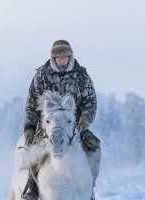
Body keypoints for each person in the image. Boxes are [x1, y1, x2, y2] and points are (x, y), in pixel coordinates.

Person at [22, 40, 101, 200]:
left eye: (66, 57)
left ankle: (89, 187)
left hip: (74, 124)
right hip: (48, 124)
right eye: (59, 57)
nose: (63, 60)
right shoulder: (41, 76)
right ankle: (32, 188)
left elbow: (90, 101)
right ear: (53, 58)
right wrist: (30, 126)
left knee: (95, 148)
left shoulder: (81, 75)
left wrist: (85, 118)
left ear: (70, 57)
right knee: (35, 150)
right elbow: (32, 103)